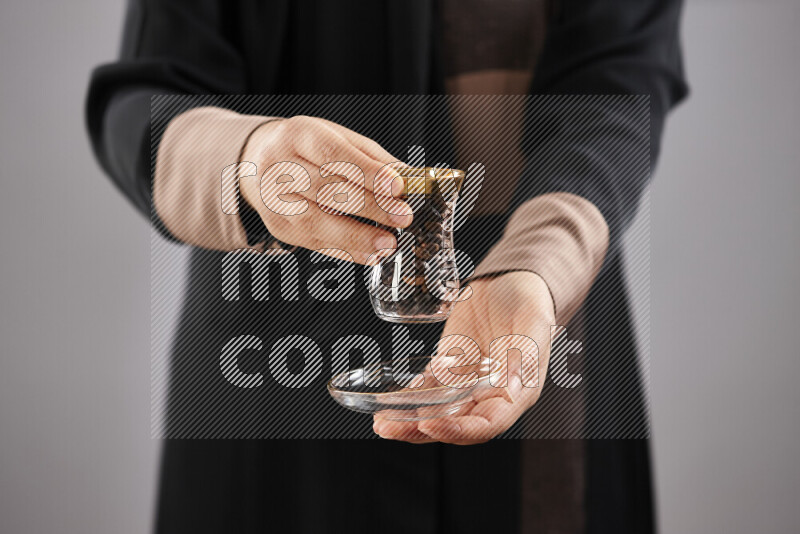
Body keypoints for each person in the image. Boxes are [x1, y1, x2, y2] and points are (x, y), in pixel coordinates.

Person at [86, 0, 688, 532]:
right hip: (274, 389)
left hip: (541, 327)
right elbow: (143, 97)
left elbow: (617, 88)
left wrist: (536, 265)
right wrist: (249, 160)